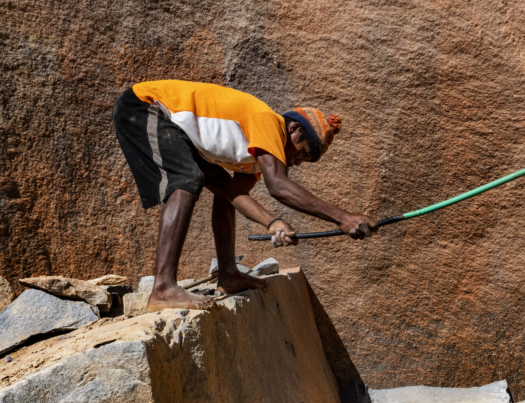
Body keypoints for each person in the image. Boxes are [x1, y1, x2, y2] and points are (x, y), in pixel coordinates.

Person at [113, 80, 378, 311]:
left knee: (221, 186)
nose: (299, 162)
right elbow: (279, 186)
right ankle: (162, 289)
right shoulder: (269, 121)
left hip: (177, 130)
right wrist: (342, 218)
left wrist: (273, 223)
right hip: (145, 106)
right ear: (294, 129)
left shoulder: (254, 161)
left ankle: (228, 274)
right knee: (186, 179)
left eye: (307, 160)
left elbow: (234, 194)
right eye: (304, 152)